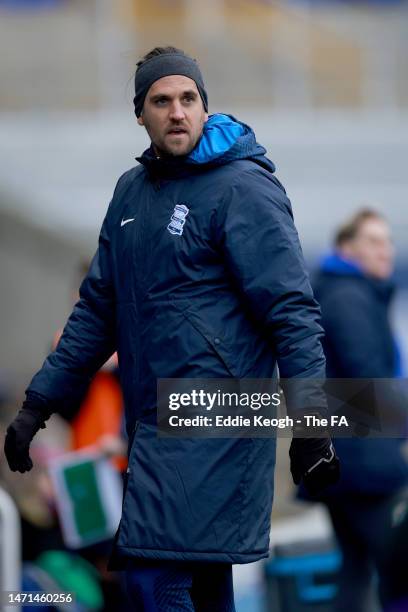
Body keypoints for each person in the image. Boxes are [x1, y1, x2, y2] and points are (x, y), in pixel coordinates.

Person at [4, 46, 339, 611]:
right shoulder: (130, 193)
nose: (177, 111)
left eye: (189, 99)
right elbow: (97, 310)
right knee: (202, 587)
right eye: (162, 100)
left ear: (205, 107)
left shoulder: (242, 188)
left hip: (218, 420)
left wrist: (312, 425)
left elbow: (293, 312)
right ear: (141, 113)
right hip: (155, 427)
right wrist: (39, 403)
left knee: (152, 578)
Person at [311, 209, 408, 612]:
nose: (384, 251)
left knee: (355, 568)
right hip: (362, 460)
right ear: (346, 249)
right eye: (372, 241)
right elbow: (368, 376)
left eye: (387, 241)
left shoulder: (345, 291)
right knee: (395, 568)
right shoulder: (349, 296)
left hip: (343, 456)